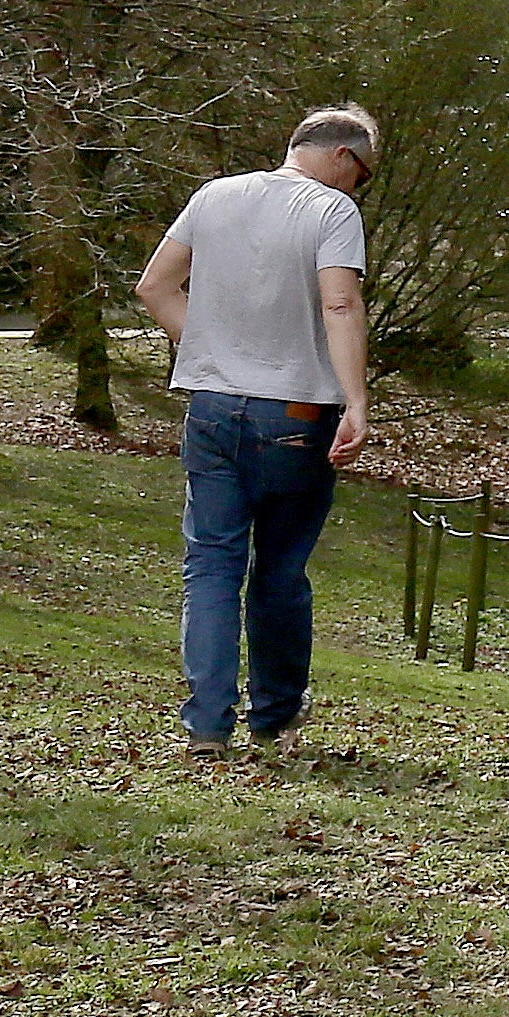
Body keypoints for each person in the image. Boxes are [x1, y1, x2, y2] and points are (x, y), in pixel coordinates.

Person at [137, 105, 382, 757]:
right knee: (278, 570)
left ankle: (207, 726)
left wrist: (214, 349)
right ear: (340, 155)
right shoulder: (333, 212)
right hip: (298, 414)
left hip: (214, 407)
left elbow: (155, 286)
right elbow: (339, 302)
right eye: (364, 174)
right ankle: (272, 717)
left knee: (211, 565)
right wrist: (356, 401)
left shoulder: (214, 197)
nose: (360, 187)